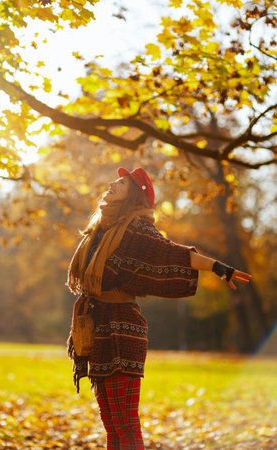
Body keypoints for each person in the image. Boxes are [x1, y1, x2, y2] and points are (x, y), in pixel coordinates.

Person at [66, 167, 252, 450]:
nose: (113, 184)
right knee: (110, 422)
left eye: (122, 183)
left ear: (134, 196)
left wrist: (217, 266)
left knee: (125, 422)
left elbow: (172, 253)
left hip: (123, 331)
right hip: (98, 328)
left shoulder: (137, 229)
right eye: (114, 180)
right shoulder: (99, 231)